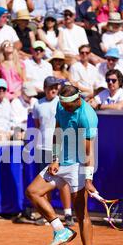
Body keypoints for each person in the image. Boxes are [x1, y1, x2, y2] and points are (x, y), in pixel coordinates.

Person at [25, 84, 99, 245]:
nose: (64, 109)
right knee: (33, 192)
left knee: (81, 214)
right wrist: (55, 158)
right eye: (62, 105)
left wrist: (88, 178)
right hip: (61, 163)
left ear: (77, 100)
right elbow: (57, 132)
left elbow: (88, 151)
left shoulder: (88, 116)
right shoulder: (61, 105)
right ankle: (60, 229)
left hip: (77, 166)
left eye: (67, 106)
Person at [28, 76, 74, 226]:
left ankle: (68, 214)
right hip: (42, 147)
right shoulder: (37, 104)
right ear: (45, 88)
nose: (54, 89)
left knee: (62, 181)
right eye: (51, 87)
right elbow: (37, 125)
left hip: (58, 149)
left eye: (56, 87)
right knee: (44, 183)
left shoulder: (61, 103)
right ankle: (49, 215)